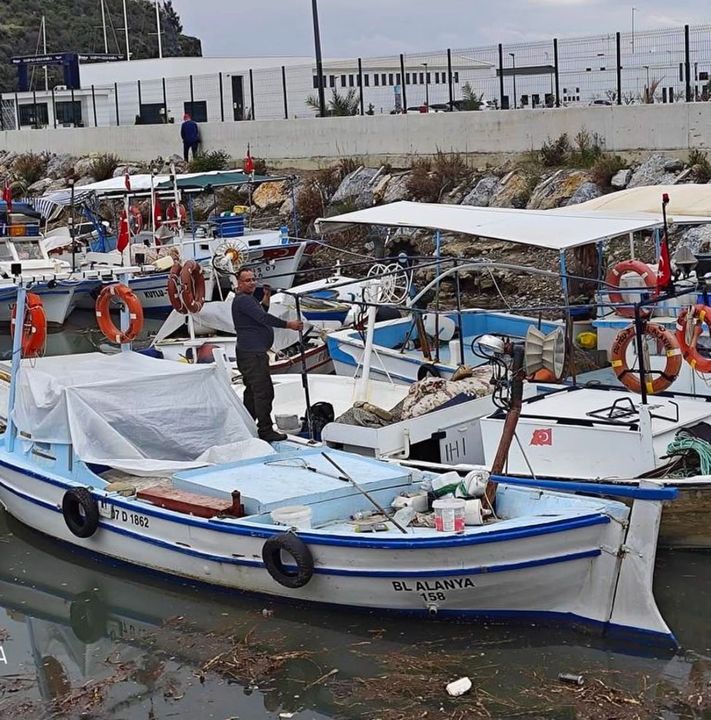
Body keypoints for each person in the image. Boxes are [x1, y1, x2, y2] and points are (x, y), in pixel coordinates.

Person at [232, 268, 303, 442]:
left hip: (251, 352)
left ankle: (247, 423)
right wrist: (289, 324)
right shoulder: (243, 300)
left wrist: (266, 296)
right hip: (252, 354)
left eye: (253, 279)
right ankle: (265, 429)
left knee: (252, 391)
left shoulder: (248, 300)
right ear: (239, 283)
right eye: (247, 280)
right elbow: (263, 318)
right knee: (264, 392)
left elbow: (260, 311)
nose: (252, 282)